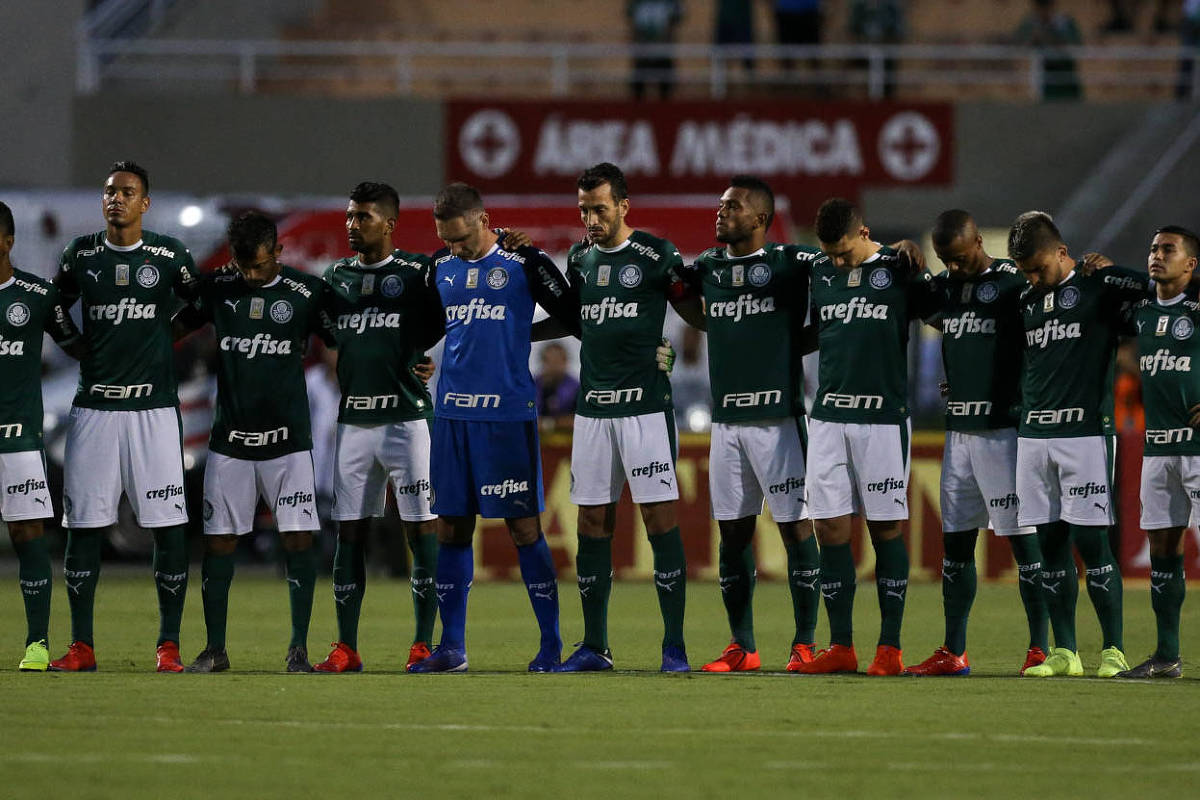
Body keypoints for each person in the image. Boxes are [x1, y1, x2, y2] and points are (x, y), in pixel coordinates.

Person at [408, 183, 581, 673]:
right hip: (453, 415)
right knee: (451, 528)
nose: (454, 248)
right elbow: (431, 326)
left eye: (461, 238)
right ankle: (452, 649)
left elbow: (572, 315)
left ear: (483, 220)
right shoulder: (439, 267)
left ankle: (550, 645)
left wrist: (521, 328)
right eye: (446, 239)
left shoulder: (525, 261)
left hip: (506, 415)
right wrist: (418, 359)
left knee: (524, 528)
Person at [533, 162, 694, 672]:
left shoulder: (654, 255)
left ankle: (674, 646)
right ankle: (596, 646)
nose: (590, 218)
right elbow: (576, 320)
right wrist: (519, 331)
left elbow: (694, 306)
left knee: (658, 518)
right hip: (594, 410)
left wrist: (668, 348)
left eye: (599, 208)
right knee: (591, 520)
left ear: (624, 206)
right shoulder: (580, 257)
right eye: (584, 209)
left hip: (645, 408)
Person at [49, 161, 200, 673]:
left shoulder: (168, 255)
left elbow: (201, 303)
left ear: (145, 203)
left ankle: (168, 644)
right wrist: (74, 346)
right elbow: (52, 305)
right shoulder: (82, 254)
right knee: (84, 526)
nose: (117, 199)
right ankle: (82, 646)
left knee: (168, 526)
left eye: (127, 192)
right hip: (95, 407)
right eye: (110, 191)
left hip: (153, 411)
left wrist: (168, 335)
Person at [171, 211, 332, 673]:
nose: (251, 274)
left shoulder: (305, 292)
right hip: (231, 442)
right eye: (243, 266)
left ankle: (298, 648)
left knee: (299, 540)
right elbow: (174, 328)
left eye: (259, 265)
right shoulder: (220, 288)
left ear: (278, 252)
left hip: (289, 442)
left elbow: (342, 338)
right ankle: (214, 648)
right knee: (220, 542)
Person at [682, 176, 822, 672]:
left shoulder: (791, 261)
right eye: (721, 205)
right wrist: (705, 323)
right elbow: (674, 287)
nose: (721, 213)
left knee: (796, 529)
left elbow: (848, 262)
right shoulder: (708, 266)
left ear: (761, 219)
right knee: (733, 534)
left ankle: (804, 643)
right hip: (726, 425)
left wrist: (903, 248)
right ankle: (742, 645)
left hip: (780, 420)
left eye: (733, 206)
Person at [795, 197, 938, 676]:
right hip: (829, 417)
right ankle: (840, 646)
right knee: (829, 527)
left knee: (885, 528)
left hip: (882, 419)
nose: (837, 261)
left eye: (844, 252)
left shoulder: (899, 267)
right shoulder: (819, 270)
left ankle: (890, 648)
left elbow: (946, 318)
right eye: (829, 254)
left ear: (864, 233)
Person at [904, 209, 1049, 676]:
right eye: (946, 261)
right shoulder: (946, 285)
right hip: (959, 435)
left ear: (978, 244)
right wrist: (905, 255)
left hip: (1004, 433)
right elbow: (925, 302)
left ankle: (1042, 648)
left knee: (1023, 542)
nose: (956, 268)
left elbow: (1046, 336)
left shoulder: (1012, 281)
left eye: (962, 258)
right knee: (957, 546)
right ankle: (953, 650)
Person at [1007, 211, 1149, 678]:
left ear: (1062, 252)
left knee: (1092, 541)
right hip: (1034, 436)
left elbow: (1153, 292)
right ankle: (1064, 651)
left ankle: (1114, 650)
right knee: (1050, 545)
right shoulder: (1026, 300)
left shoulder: (1096, 288)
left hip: (1086, 433)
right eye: (1025, 270)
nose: (1031, 277)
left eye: (1038, 267)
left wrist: (1112, 271)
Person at [314, 182, 443, 673]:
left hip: (406, 419)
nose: (352, 225)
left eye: (363, 217)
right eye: (349, 216)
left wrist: (419, 358)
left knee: (420, 530)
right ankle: (346, 646)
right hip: (355, 421)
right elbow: (331, 333)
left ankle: (423, 643)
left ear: (389, 223)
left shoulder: (417, 273)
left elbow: (443, 320)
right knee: (349, 533)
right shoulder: (336, 279)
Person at [0, 200, 81, 671]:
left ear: (8, 242)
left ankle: (37, 643)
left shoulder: (36, 294)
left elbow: (74, 345)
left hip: (18, 440)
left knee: (27, 533)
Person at [1117, 225, 1199, 678]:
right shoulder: (1143, 312)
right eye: (1152, 248)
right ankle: (1167, 656)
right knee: (1162, 546)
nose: (1156, 255)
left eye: (1168, 249)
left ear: (1191, 264)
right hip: (1159, 447)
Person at [1014, 0, 1083, 101]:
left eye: (1047, 6)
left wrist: (1047, 37)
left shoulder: (1065, 23)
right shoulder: (1029, 24)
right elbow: (1018, 46)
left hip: (1065, 77)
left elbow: (1074, 46)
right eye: (1040, 7)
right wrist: (1033, 39)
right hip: (1040, 79)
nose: (1044, 11)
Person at [627, 0, 683, 100]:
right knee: (638, 83)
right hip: (643, 51)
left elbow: (676, 18)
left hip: (662, 50)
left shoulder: (669, 4)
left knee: (666, 85)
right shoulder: (638, 4)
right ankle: (637, 111)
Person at [534, 342, 579, 431]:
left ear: (565, 361)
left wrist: (548, 424)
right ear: (542, 362)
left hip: (568, 441)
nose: (554, 365)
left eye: (557, 360)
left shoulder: (576, 388)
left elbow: (579, 421)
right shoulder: (532, 386)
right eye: (550, 361)